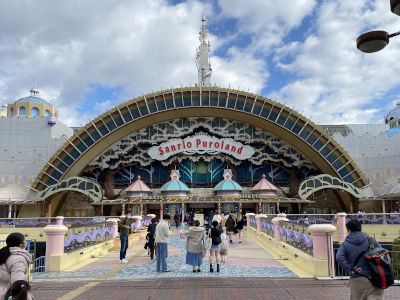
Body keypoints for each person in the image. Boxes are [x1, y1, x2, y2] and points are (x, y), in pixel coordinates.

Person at [336, 219, 383, 300]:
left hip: (357, 279)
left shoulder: (345, 244)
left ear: (349, 230)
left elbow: (339, 257)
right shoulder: (371, 240)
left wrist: (351, 268)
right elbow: (382, 254)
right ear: (360, 228)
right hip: (374, 278)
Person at [0, 233, 32, 300]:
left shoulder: (3, 254)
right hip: (7, 295)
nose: (26, 243)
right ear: (20, 245)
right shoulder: (18, 259)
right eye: (25, 241)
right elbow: (18, 282)